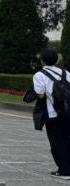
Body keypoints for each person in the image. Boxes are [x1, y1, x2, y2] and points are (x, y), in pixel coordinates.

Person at [33, 48, 70, 179]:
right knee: (67, 139)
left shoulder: (39, 75)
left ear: (42, 61)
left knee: (57, 142)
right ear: (56, 60)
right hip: (68, 111)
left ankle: (65, 171)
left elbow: (41, 94)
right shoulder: (66, 73)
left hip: (53, 113)